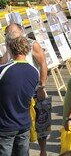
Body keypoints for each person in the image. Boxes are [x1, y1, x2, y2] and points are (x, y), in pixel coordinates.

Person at [2, 23, 50, 156]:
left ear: (21, 31)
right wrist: (7, 49)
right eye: (8, 35)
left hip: (34, 87)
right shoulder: (8, 46)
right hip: (15, 87)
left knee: (41, 120)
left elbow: (43, 63)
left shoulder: (32, 44)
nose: (11, 36)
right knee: (22, 122)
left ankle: (43, 150)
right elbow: (4, 64)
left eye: (13, 33)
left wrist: (42, 85)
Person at [0, 36, 39, 156]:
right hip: (24, 124)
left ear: (11, 50)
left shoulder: (3, 70)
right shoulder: (34, 71)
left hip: (5, 124)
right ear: (27, 50)